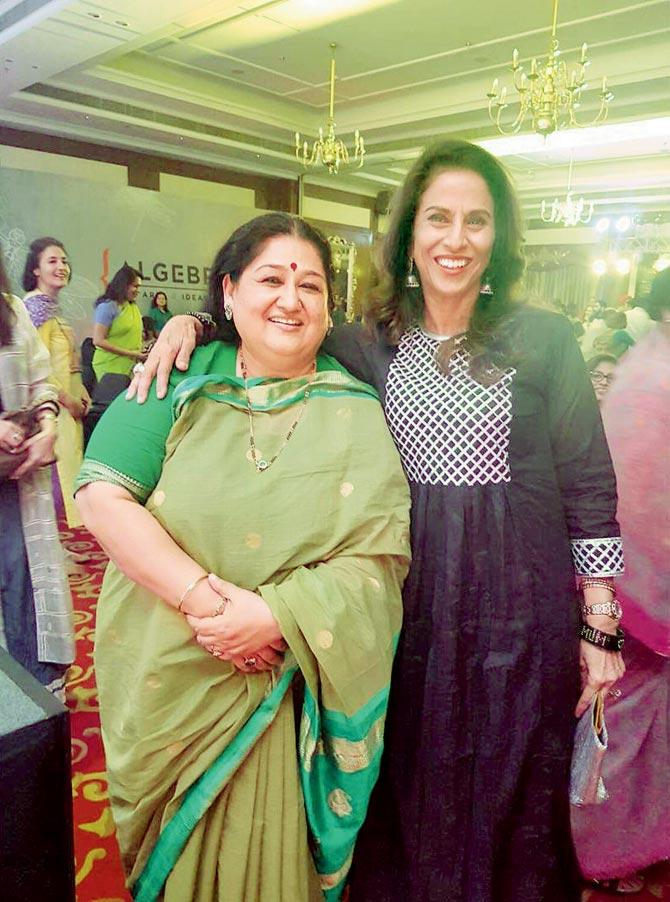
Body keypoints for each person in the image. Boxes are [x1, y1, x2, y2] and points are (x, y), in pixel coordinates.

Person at [132, 140, 624, 902]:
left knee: (512, 781)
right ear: (408, 235)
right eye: (437, 218)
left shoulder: (545, 340)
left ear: (499, 239)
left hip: (520, 614)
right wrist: (191, 322)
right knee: (407, 782)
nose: (454, 239)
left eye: (475, 221)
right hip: (405, 607)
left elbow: (588, 480)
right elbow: (275, 326)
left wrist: (599, 624)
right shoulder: (365, 341)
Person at [74, 213, 411, 902]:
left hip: (290, 686)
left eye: (311, 285)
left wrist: (277, 615)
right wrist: (211, 606)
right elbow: (102, 498)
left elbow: (378, 562)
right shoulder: (177, 375)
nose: (291, 299)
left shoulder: (356, 406)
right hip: (176, 676)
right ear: (228, 292)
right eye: (271, 278)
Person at [572, 267, 670, 895]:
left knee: (616, 717)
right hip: (635, 590)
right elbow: (641, 496)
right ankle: (611, 851)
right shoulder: (657, 375)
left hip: (612, 580)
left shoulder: (642, 363)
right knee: (627, 725)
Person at [0, 247, 74, 697]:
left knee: (25, 575)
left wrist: (48, 426)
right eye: (53, 260)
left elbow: (41, 378)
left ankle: (37, 690)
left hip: (20, 469)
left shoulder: (10, 310)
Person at [22, 237, 91, 528]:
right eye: (52, 261)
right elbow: (37, 367)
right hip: (50, 409)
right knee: (54, 480)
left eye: (64, 261)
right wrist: (66, 399)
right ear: (35, 270)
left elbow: (66, 362)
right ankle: (56, 554)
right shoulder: (33, 308)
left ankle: (60, 548)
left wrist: (82, 392)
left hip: (67, 407)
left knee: (65, 477)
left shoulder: (51, 307)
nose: (61, 266)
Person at [92, 263, 145, 379]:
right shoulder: (107, 307)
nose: (137, 291)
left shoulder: (132, 306)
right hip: (109, 368)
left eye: (139, 287)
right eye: (135, 286)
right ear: (123, 285)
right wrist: (132, 354)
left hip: (131, 366)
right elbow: (98, 340)